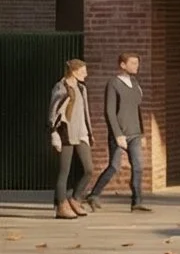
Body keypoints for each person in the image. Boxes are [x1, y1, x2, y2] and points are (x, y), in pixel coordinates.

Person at [87, 52, 151, 212]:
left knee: (138, 167)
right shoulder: (113, 84)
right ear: (123, 65)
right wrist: (117, 134)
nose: (136, 66)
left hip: (135, 132)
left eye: (137, 63)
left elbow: (137, 109)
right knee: (114, 166)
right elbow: (109, 111)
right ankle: (94, 195)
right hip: (120, 133)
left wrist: (142, 132)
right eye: (133, 63)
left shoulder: (135, 83)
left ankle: (137, 201)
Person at [48, 59, 93, 220]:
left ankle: (75, 199)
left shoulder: (81, 88)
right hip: (66, 133)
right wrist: (54, 133)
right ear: (74, 72)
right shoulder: (61, 87)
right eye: (83, 71)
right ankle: (61, 205)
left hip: (81, 133)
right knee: (64, 171)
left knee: (89, 169)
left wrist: (88, 132)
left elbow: (84, 112)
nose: (86, 74)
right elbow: (53, 111)